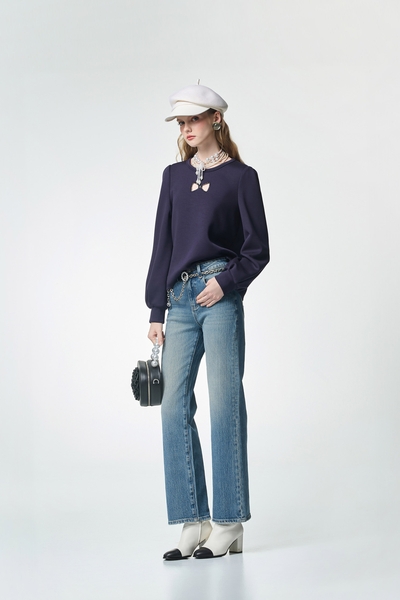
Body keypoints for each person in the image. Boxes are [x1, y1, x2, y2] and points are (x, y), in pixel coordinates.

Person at [145, 83, 270, 560]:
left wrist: (226, 283)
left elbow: (257, 249)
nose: (186, 128)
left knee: (224, 405)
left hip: (219, 297)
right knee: (172, 406)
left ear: (216, 118)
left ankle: (229, 521)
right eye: (181, 122)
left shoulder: (242, 177)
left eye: (194, 119)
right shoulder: (173, 177)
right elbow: (162, 245)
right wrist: (156, 309)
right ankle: (192, 520)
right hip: (178, 300)